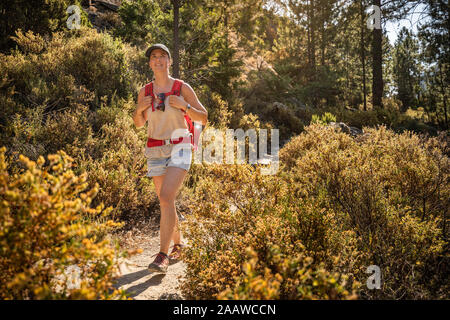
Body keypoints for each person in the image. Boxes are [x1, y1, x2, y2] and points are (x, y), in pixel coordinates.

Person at [132, 44, 208, 273]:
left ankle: (162, 256)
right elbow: (139, 123)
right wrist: (138, 110)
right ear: (149, 63)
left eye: (162, 56)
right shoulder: (144, 92)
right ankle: (179, 244)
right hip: (155, 149)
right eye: (154, 57)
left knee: (166, 196)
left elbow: (203, 118)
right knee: (166, 201)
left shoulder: (181, 88)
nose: (158, 60)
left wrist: (185, 107)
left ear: (169, 61)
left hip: (180, 146)